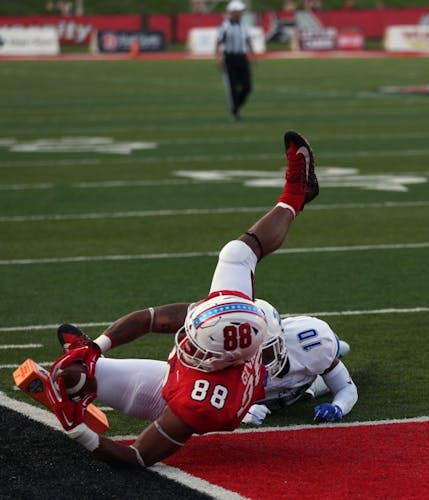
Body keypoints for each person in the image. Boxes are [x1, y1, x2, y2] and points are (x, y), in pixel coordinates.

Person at [45, 130, 319, 467]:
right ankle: (296, 194)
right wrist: (97, 346)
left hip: (169, 393)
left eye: (194, 343)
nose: (184, 341)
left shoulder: (201, 402)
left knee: (72, 377)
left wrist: (76, 431)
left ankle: (79, 388)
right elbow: (149, 318)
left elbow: (135, 457)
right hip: (223, 357)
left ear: (214, 358)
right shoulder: (229, 320)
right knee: (236, 253)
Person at [241, 299, 357, 425]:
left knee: (325, 355)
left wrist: (338, 408)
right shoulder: (223, 366)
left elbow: (345, 387)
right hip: (300, 386)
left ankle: (338, 348)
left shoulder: (309, 343)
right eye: (250, 354)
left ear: (281, 340)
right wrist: (242, 413)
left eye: (265, 353)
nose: (258, 362)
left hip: (302, 383)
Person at [215, 0, 255, 121]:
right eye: (239, 11)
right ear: (232, 12)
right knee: (232, 86)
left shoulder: (243, 25)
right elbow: (218, 42)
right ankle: (235, 111)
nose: (241, 13)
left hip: (242, 57)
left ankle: (236, 106)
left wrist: (253, 55)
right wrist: (217, 57)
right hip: (230, 58)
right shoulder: (225, 26)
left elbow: (248, 40)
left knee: (247, 86)